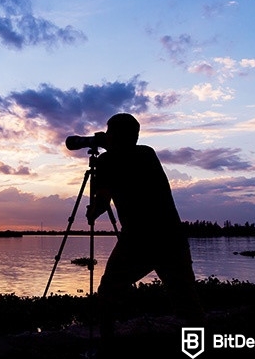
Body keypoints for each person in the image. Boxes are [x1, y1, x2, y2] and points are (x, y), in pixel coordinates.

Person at [86, 113, 203, 343]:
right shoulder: (147, 154)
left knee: (109, 292)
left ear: (115, 135)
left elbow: (99, 205)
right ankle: (198, 347)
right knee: (186, 297)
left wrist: (93, 204)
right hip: (171, 237)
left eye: (110, 131)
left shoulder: (110, 162)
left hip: (138, 239)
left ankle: (106, 345)